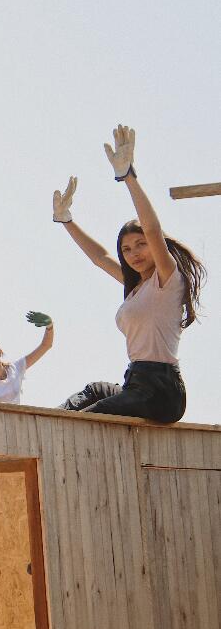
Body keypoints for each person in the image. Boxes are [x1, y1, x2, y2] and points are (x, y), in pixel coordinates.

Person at [52, 126, 206, 423]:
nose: (134, 253)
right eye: (126, 249)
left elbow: (152, 229)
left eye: (140, 245)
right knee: (94, 391)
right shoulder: (136, 287)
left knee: (89, 418)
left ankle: (62, 425)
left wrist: (128, 176)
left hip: (162, 390)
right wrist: (66, 220)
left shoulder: (167, 279)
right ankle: (47, 420)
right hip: (136, 382)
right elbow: (100, 258)